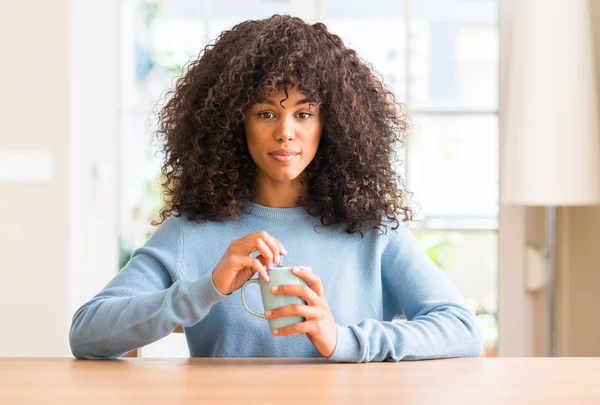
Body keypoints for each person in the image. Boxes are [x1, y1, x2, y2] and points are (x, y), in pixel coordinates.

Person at [69, 14, 483, 362]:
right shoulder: (192, 229)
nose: (286, 132)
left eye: (304, 113)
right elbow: (87, 334)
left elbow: (462, 329)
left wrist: (343, 339)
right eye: (266, 112)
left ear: (331, 125)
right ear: (234, 122)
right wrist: (206, 287)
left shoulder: (371, 229)